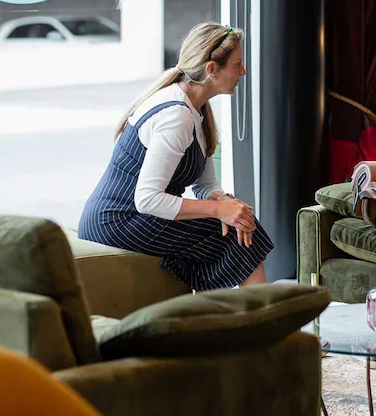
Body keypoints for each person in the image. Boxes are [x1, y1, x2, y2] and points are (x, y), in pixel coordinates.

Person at [79, 23, 272, 290]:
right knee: (234, 237)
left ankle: (250, 321)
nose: (243, 71)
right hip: (117, 220)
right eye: (237, 64)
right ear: (212, 70)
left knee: (242, 223)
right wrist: (218, 211)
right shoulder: (176, 116)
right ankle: (268, 325)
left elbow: (204, 185)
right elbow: (147, 199)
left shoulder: (197, 109)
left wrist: (225, 202)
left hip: (135, 215)